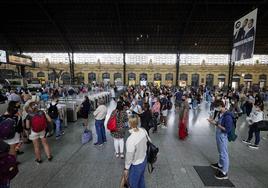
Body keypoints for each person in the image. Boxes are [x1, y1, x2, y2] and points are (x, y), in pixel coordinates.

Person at [208, 101, 234, 180]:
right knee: (220, 151)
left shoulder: (228, 116)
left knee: (224, 153)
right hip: (219, 134)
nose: (216, 109)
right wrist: (214, 122)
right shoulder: (221, 113)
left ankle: (224, 172)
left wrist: (215, 124)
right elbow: (220, 124)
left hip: (223, 136)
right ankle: (220, 164)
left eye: (217, 107)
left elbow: (227, 129)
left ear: (220, 106)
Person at [124, 115, 150, 188]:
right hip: (144, 159)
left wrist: (126, 168)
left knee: (133, 183)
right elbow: (148, 142)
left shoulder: (131, 139)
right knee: (141, 179)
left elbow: (129, 156)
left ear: (129, 124)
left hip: (136, 164)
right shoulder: (143, 130)